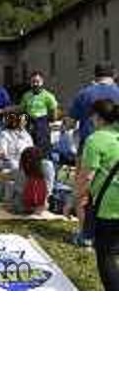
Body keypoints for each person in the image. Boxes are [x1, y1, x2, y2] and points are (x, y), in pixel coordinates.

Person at [69, 63, 119, 246]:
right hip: (116, 148)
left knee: (85, 193)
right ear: (114, 75)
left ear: (95, 75)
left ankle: (86, 234)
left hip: (90, 147)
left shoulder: (85, 93)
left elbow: (70, 120)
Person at [77, 100, 119, 289]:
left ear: (97, 117)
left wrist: (77, 200)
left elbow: (86, 178)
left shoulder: (95, 139)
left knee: (106, 256)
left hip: (108, 207)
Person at [19, 71, 58, 154]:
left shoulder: (48, 96)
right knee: (29, 148)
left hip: (42, 124)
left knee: (43, 149)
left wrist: (48, 122)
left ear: (42, 82)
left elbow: (54, 112)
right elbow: (22, 111)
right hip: (29, 123)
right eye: (33, 82)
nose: (35, 84)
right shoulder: (26, 96)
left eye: (38, 81)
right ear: (30, 83)